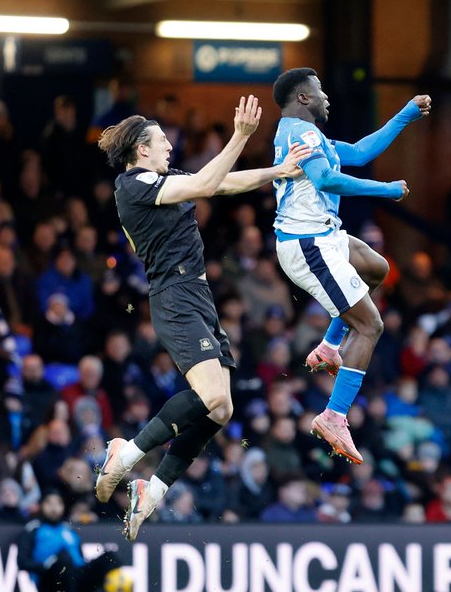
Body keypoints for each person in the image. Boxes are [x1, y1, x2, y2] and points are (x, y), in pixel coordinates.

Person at [91, 95, 311, 542]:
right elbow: (209, 184)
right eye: (161, 140)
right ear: (141, 150)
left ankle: (151, 489)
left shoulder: (164, 178)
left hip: (197, 296)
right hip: (173, 296)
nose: (170, 145)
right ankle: (126, 452)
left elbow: (224, 182)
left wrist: (277, 172)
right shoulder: (132, 186)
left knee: (223, 406)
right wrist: (240, 136)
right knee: (210, 395)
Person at [270, 67, 431, 464]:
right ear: (303, 98)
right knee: (370, 325)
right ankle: (334, 416)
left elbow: (358, 153)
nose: (327, 97)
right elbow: (325, 180)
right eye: (320, 90)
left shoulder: (307, 134)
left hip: (325, 236)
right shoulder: (298, 132)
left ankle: (328, 345)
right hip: (307, 243)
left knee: (376, 268)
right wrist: (385, 190)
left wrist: (405, 114)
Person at [17, 491, 122, 592]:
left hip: (76, 576)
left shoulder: (69, 530)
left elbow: (80, 559)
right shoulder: (34, 529)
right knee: (64, 558)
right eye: (49, 503)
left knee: (109, 557)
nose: (54, 508)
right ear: (41, 505)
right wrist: (46, 565)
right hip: (50, 580)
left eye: (58, 504)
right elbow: (22, 562)